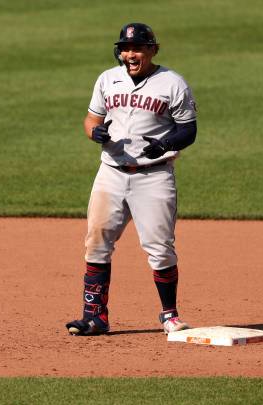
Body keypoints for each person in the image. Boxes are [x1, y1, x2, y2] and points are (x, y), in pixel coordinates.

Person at [66, 22, 197, 336]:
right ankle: (94, 317)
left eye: (137, 48)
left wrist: (166, 144)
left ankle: (170, 315)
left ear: (152, 49)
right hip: (110, 173)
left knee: (160, 248)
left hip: (154, 178)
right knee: (96, 243)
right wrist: (93, 132)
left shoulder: (172, 83)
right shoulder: (107, 79)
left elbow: (188, 130)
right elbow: (91, 119)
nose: (130, 54)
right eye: (125, 48)